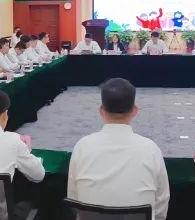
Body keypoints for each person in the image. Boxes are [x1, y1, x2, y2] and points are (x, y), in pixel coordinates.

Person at [68, 78, 170, 219]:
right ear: (134, 110)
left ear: (101, 111)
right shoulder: (151, 149)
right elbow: (161, 205)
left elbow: (74, 200)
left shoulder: (82, 147)